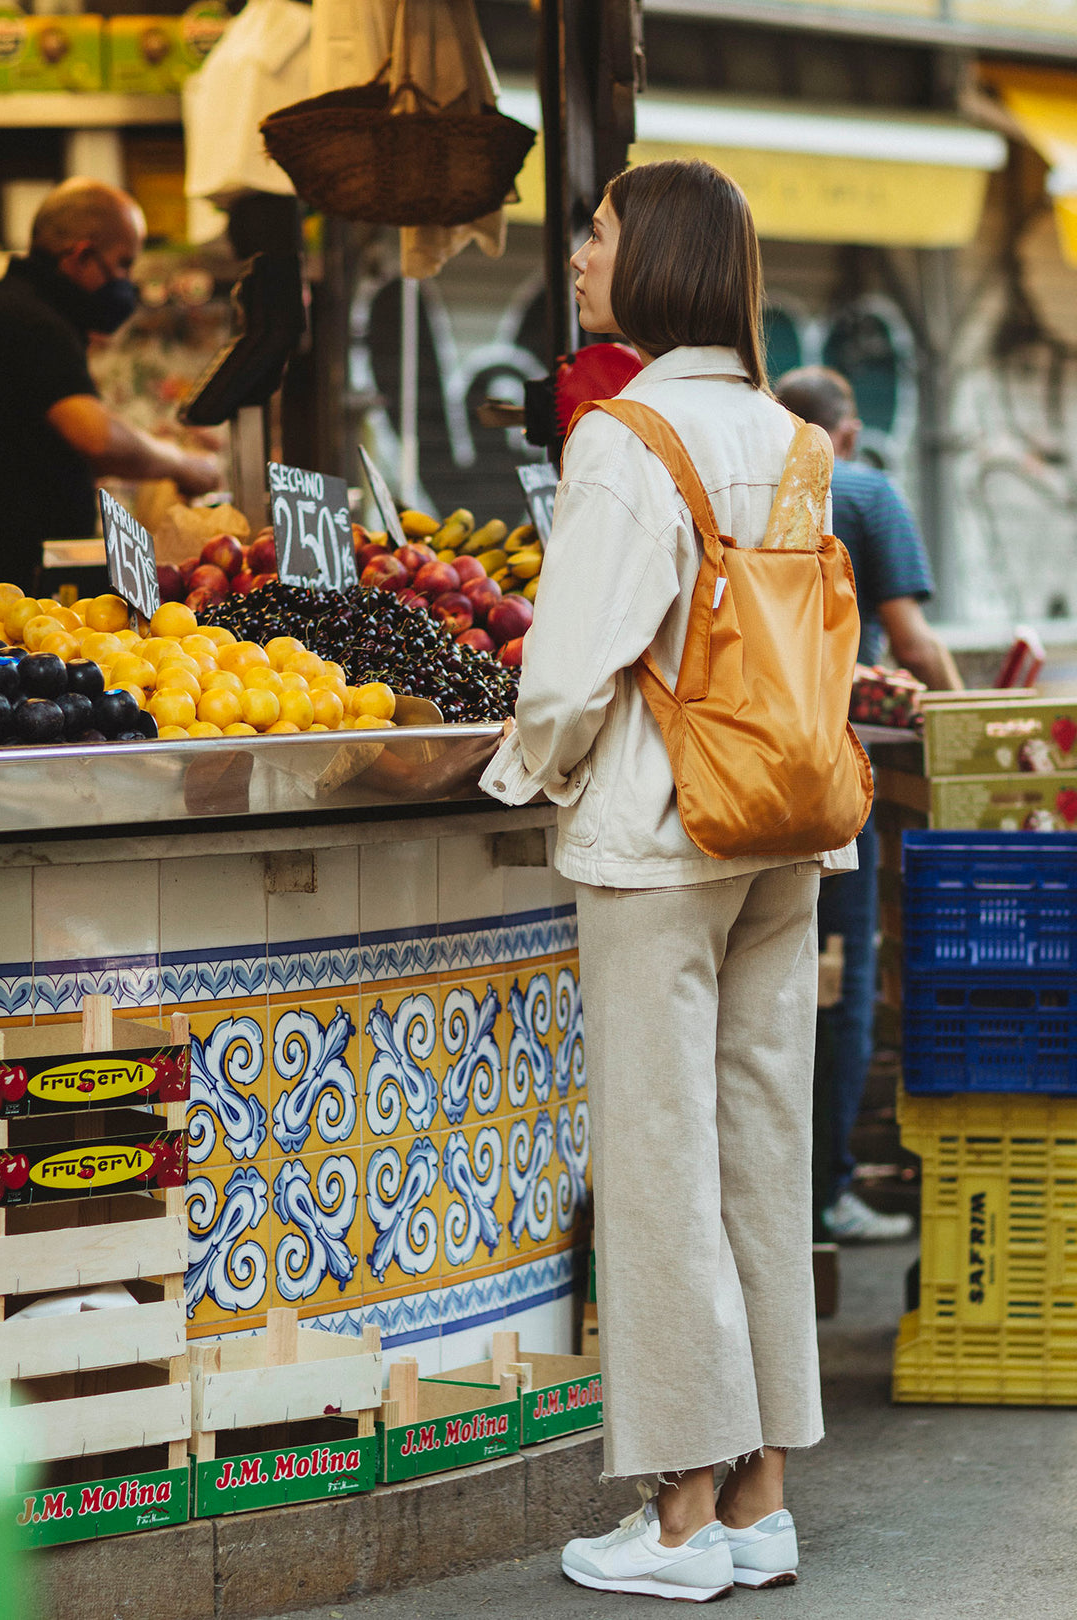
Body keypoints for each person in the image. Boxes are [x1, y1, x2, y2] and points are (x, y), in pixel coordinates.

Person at [481, 160, 860, 1599]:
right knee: (762, 1149)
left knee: (659, 1163)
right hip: (785, 824)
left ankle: (683, 1520)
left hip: (661, 834)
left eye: (599, 231)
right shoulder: (787, 433)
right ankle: (763, 1495)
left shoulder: (624, 436)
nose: (580, 254)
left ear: (660, 262)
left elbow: (572, 664)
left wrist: (527, 779)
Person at [775, 365, 962, 1243]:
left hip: (741, 771)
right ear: (845, 431)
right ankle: (825, 1191)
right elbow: (916, 644)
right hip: (841, 776)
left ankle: (774, 1201)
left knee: (764, 980)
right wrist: (959, 725)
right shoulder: (863, 488)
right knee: (840, 983)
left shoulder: (751, 483)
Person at [0, 178, 220, 590]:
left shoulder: (24, 308)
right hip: (11, 579)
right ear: (81, 256)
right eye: (123, 264)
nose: (127, 282)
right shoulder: (33, 322)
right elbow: (96, 438)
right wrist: (183, 464)